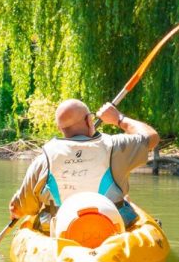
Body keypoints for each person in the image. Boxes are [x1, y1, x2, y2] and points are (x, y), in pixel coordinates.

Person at [9, 99, 159, 232]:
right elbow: (152, 138)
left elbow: (24, 208)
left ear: (59, 128)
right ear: (89, 120)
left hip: (61, 230)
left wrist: (16, 208)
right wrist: (119, 118)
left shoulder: (43, 159)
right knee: (126, 199)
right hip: (112, 226)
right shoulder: (115, 147)